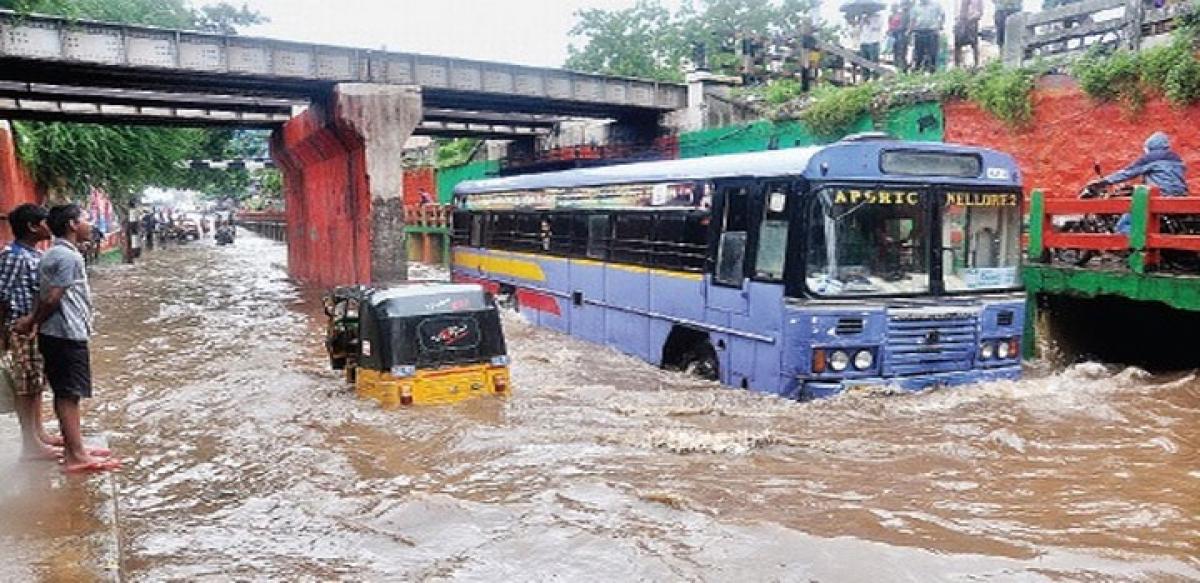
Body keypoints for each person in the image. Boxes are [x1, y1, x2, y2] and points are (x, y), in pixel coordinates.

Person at [15, 204, 119, 473]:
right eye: (85, 219)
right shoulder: (67, 257)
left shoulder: (53, 253)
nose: (89, 224)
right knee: (69, 394)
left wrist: (34, 321)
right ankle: (75, 455)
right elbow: (51, 298)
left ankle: (76, 448)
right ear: (72, 224)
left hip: (58, 333)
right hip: (66, 333)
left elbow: (45, 293)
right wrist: (31, 321)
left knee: (66, 392)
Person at [0, 204, 59, 460]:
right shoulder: (13, 256)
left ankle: (39, 433)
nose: (50, 226)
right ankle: (30, 444)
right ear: (33, 226)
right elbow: (1, 296)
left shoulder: (34, 254)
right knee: (25, 385)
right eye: (45, 222)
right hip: (22, 329)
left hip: (36, 328)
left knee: (35, 383)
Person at [1089, 131, 1188, 234]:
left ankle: (1128, 246)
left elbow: (1128, 172)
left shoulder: (1151, 158)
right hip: (1180, 198)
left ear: (1150, 146)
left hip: (1161, 198)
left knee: (1124, 224)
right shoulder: (1176, 159)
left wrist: (1104, 182)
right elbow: (1164, 178)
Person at [910, 0, 945, 73]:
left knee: (933, 54)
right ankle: (917, 73)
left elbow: (942, 15)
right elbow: (912, 20)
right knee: (918, 55)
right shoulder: (915, 7)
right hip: (919, 32)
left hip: (932, 32)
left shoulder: (936, 5)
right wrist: (910, 30)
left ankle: (933, 73)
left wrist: (940, 25)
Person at [854, 10, 886, 79]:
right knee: (864, 62)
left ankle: (875, 78)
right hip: (864, 42)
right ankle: (865, 77)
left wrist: (869, 22)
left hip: (873, 41)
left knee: (874, 61)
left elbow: (878, 27)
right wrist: (861, 22)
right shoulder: (862, 18)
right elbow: (858, 30)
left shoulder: (878, 17)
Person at [954, 0, 983, 68]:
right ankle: (957, 65)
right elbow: (959, 11)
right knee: (958, 44)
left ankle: (976, 64)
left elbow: (980, 12)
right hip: (961, 22)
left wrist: (971, 18)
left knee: (974, 44)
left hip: (972, 23)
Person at [888, 1, 912, 71]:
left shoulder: (901, 14)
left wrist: (897, 28)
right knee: (895, 52)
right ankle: (897, 67)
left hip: (901, 34)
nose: (893, 8)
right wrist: (890, 30)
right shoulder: (890, 16)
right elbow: (889, 26)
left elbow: (903, 25)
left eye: (895, 7)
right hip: (894, 35)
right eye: (892, 7)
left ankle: (904, 68)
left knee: (902, 52)